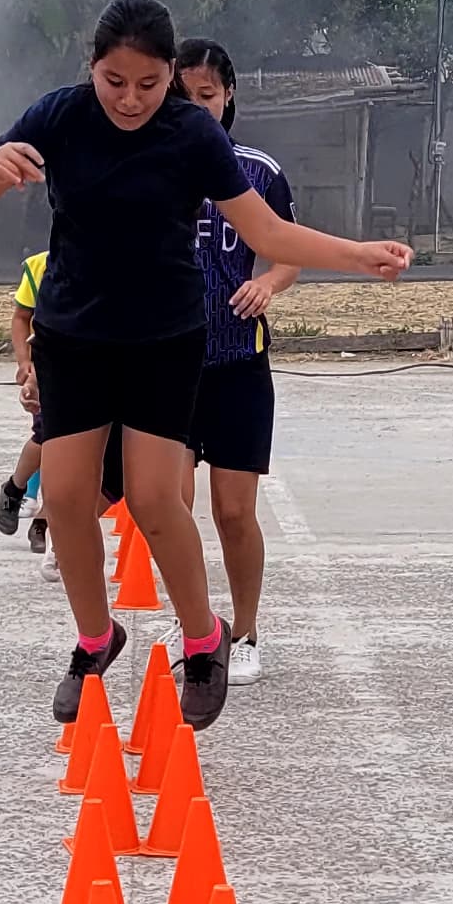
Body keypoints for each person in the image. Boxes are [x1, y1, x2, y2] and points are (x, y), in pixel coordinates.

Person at [0, 0, 412, 728]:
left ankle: (203, 639)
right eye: (114, 81)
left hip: (163, 338)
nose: (130, 98)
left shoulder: (192, 133)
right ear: (92, 68)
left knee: (156, 500)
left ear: (170, 74)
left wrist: (358, 255)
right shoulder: (57, 116)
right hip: (71, 334)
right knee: (63, 499)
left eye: (148, 83)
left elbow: (265, 230)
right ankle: (94, 640)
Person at [174, 38, 290, 686]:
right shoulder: (153, 168)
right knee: (169, 507)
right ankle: (197, 628)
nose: (197, 108)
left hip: (238, 363)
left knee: (234, 511)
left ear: (229, 96)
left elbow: (288, 249)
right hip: (168, 365)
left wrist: (268, 282)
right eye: (184, 96)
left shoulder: (258, 172)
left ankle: (244, 632)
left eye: (207, 95)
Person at [1, 251, 122, 581]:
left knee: (116, 475)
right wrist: (29, 369)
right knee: (50, 443)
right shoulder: (45, 266)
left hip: (125, 366)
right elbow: (31, 320)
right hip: (66, 371)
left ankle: (53, 526)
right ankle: (18, 492)